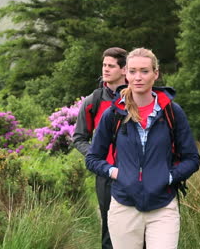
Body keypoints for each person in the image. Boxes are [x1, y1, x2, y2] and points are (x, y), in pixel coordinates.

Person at [85, 48, 200, 249]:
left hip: (163, 207)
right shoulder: (113, 114)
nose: (138, 77)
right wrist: (116, 173)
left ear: (156, 74)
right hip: (123, 207)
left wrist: (168, 177)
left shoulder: (172, 112)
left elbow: (192, 158)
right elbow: (93, 158)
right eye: (133, 71)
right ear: (126, 74)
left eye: (145, 71)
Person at [73, 47, 128, 249]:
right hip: (106, 175)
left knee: (138, 228)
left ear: (124, 69)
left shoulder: (139, 96)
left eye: (111, 66)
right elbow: (79, 137)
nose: (105, 69)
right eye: (104, 65)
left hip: (137, 172)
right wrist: (98, 159)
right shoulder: (93, 101)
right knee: (110, 230)